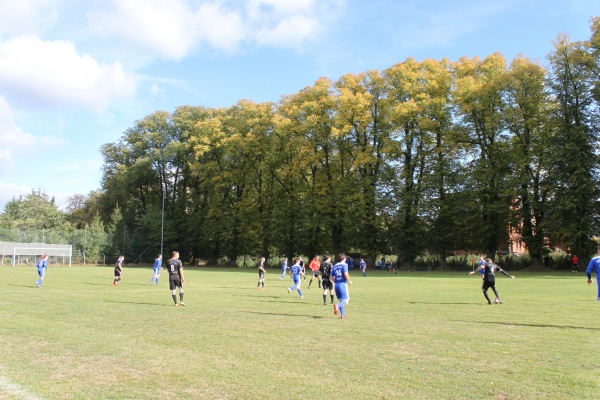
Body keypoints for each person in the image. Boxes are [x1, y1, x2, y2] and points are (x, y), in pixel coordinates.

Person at [331, 253, 352, 319]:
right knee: (346, 301)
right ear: (344, 259)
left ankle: (343, 315)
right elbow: (345, 274)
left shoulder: (335, 266)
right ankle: (337, 305)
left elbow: (331, 276)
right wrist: (349, 281)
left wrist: (336, 281)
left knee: (341, 300)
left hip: (336, 285)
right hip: (342, 284)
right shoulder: (344, 265)